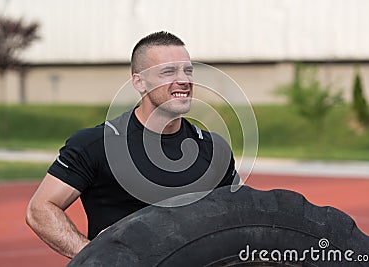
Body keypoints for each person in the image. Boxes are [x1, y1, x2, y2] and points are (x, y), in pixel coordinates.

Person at [26, 31, 239, 259]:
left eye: (188, 70)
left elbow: (238, 216)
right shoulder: (97, 144)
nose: (184, 80)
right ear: (139, 82)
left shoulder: (213, 148)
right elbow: (40, 209)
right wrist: (92, 255)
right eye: (169, 71)